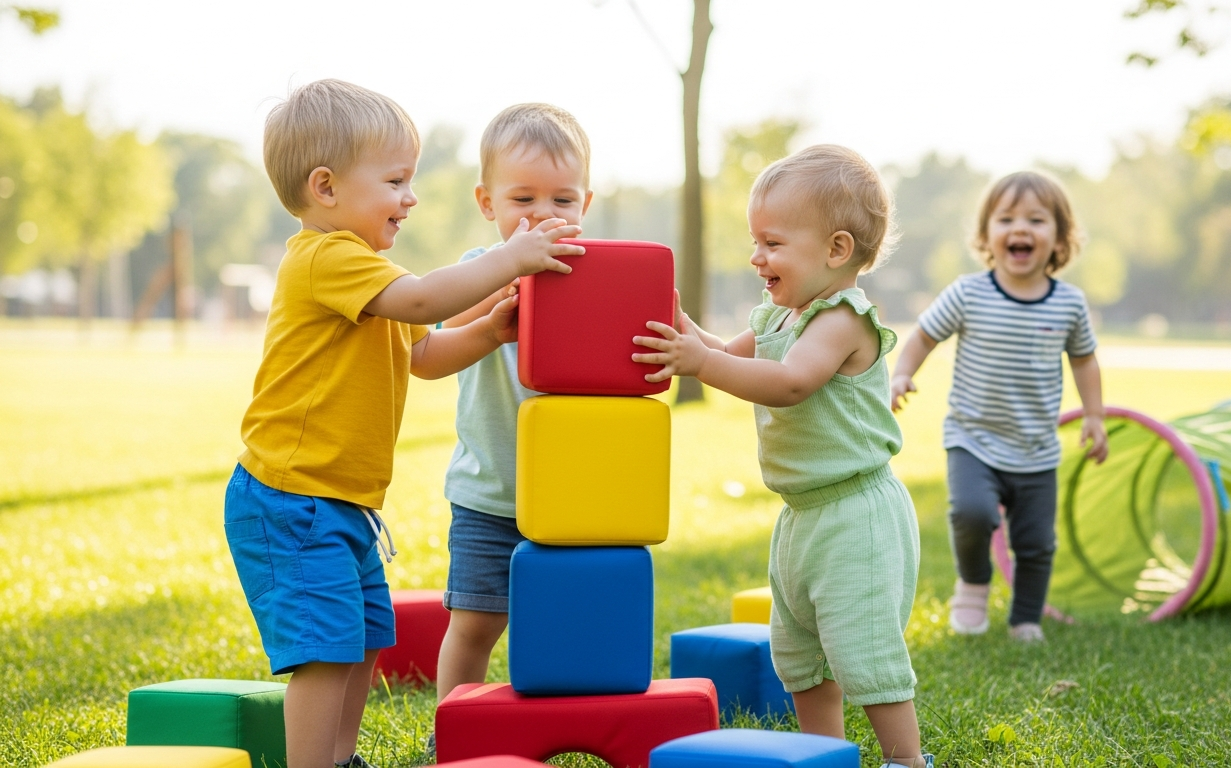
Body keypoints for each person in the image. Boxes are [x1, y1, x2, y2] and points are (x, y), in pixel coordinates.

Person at [223, 80, 583, 768]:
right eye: (394, 180)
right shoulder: (324, 258)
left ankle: (340, 757)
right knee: (326, 652)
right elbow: (421, 304)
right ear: (325, 187)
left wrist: (490, 330)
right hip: (291, 498)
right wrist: (510, 259)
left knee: (361, 638)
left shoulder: (366, 272)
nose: (410, 197)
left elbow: (420, 354)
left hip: (339, 502)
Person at [633, 145, 929, 767]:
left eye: (772, 243)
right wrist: (682, 326)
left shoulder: (844, 319)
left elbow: (791, 381)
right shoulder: (779, 314)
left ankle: (907, 760)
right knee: (799, 654)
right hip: (802, 515)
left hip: (856, 514)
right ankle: (825, 756)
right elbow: (730, 353)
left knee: (863, 651)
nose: (756, 257)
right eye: (754, 241)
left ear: (836, 250)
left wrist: (703, 364)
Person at [428, 104, 593, 753]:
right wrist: (507, 273)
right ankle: (453, 737)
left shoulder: (594, 270)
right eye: (522, 198)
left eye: (562, 197)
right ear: (486, 201)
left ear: (586, 200)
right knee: (474, 624)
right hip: (490, 494)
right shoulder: (480, 266)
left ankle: (566, 730)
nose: (542, 213)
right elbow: (444, 324)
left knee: (571, 627)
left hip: (575, 500)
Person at [889, 170, 1108, 644]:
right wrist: (903, 372)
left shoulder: (1068, 304)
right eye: (1006, 218)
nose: (1020, 229)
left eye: (1036, 219)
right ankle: (972, 584)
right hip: (973, 438)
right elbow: (924, 335)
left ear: (1060, 237)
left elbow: (1085, 360)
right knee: (970, 513)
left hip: (1036, 448)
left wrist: (1094, 415)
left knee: (1035, 543)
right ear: (987, 234)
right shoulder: (969, 293)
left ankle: (1026, 619)